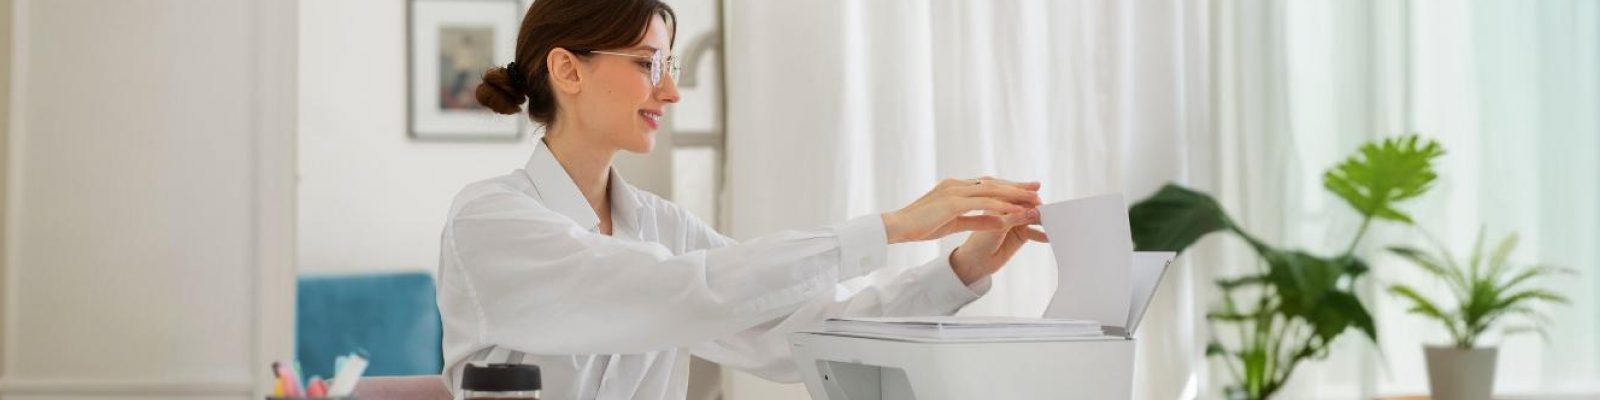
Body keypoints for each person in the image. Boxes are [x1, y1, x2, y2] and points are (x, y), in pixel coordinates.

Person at [437, 0, 1048, 398]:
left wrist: (962, 269)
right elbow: (683, 291)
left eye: (669, 64)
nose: (671, 91)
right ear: (568, 71)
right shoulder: (491, 221)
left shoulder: (662, 225)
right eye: (649, 64)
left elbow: (802, 334)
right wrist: (890, 227)